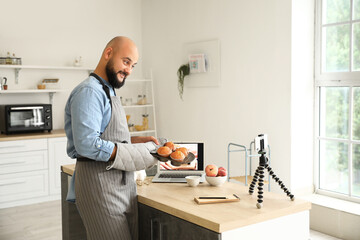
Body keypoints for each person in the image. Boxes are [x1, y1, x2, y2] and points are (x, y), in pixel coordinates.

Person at [64, 36, 160, 240]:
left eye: (133, 65)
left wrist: (134, 141)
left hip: (122, 186)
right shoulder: (89, 92)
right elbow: (87, 145)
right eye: (126, 62)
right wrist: (138, 153)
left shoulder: (108, 90)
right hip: (99, 187)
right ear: (108, 54)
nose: (129, 71)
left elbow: (108, 136)